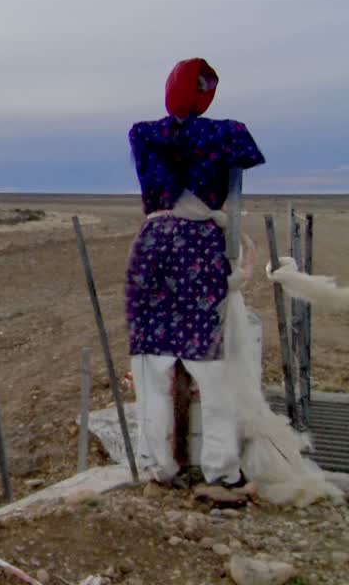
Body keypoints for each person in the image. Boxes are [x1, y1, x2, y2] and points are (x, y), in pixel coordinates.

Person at [125, 57, 265, 488]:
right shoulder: (229, 133)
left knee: (152, 363)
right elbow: (241, 158)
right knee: (210, 362)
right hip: (200, 248)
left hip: (152, 248)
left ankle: (158, 465)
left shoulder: (144, 134)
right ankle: (221, 470)